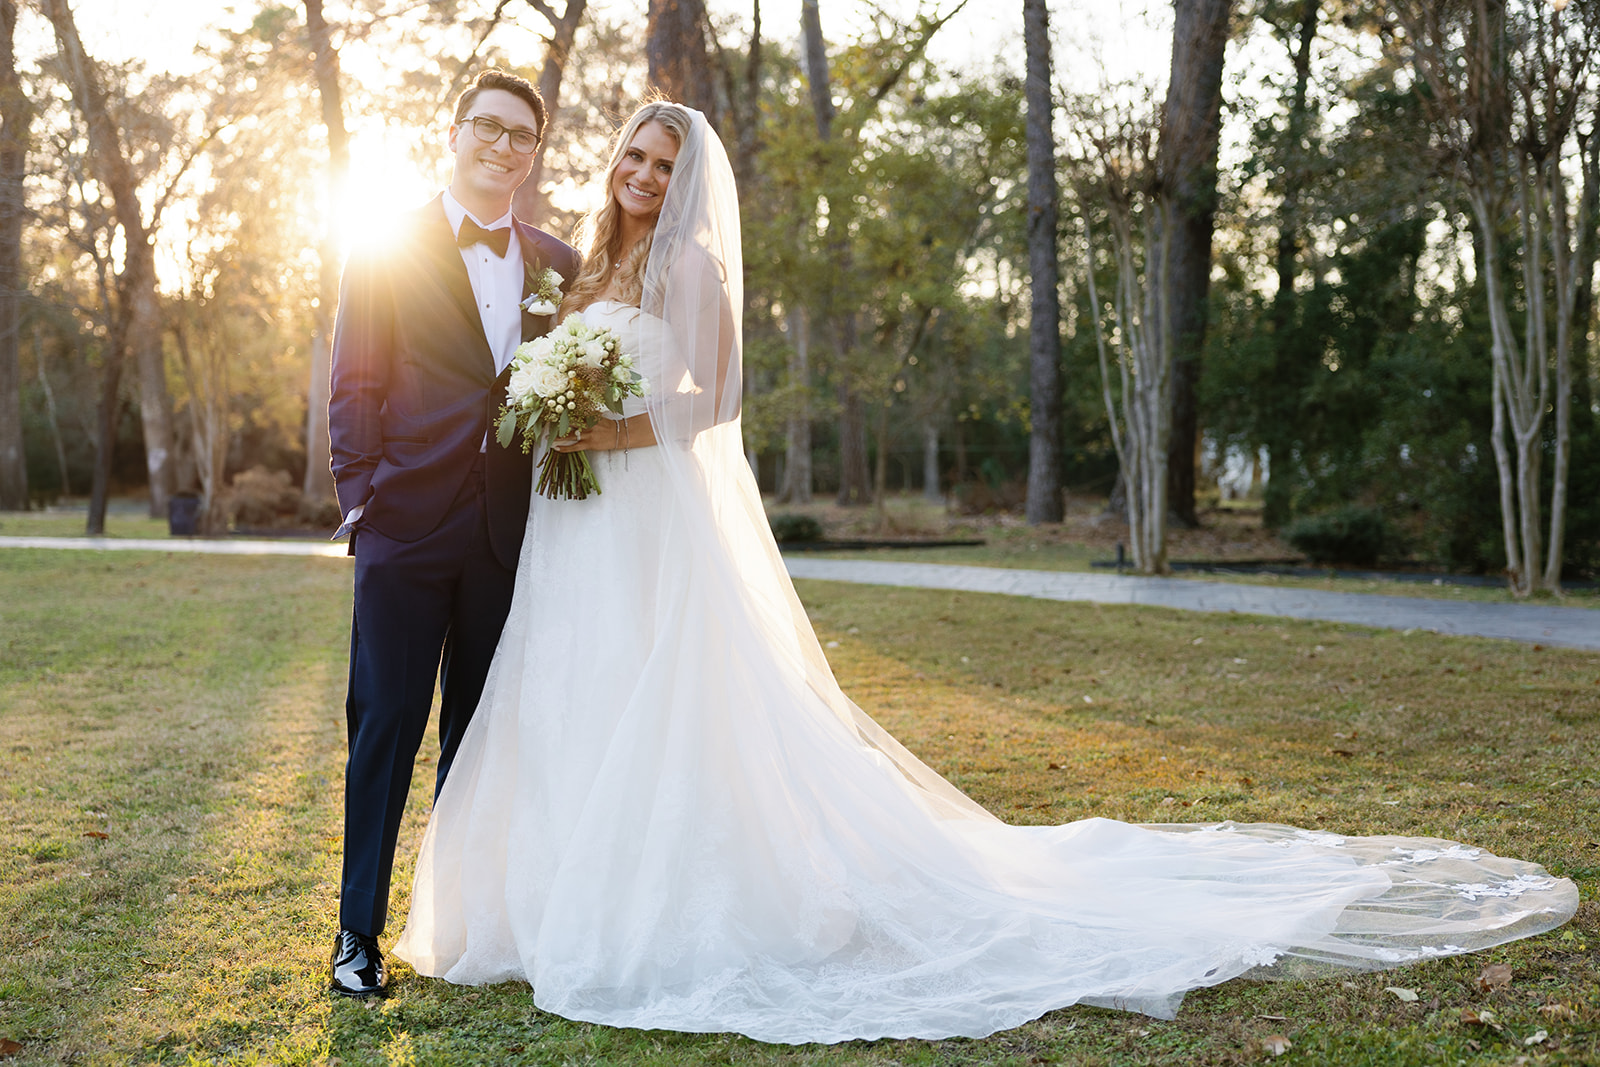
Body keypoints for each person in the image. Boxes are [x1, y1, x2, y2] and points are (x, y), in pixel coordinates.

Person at [391, 101, 1576, 1043]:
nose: (641, 179)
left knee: (661, 696)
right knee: (569, 694)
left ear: (686, 180)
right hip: (572, 526)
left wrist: (605, 431)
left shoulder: (692, 268)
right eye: (631, 160)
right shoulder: (587, 258)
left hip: (647, 512)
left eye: (660, 166)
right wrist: (556, 413)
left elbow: (719, 401)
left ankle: (656, 906)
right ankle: (539, 907)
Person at [325, 68, 581, 998]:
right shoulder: (384, 243)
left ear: (535, 151)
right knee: (386, 723)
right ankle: (358, 931)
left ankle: (459, 923)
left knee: (476, 735)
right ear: (455, 130)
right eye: (488, 126)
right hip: (403, 523)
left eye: (522, 134)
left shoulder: (557, 259)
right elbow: (353, 383)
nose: (502, 145)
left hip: (509, 534)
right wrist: (363, 503)